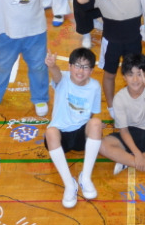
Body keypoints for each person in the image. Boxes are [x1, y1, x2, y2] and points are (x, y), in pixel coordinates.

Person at [76, 0, 143, 107]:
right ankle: (111, 106)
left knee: (135, 75)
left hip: (134, 41)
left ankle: (134, 103)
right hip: (111, 42)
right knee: (109, 74)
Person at [44, 48, 103, 208]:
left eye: (85, 67)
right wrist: (52, 66)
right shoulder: (62, 79)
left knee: (96, 123)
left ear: (91, 70)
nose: (80, 71)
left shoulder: (95, 86)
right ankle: (70, 184)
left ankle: (85, 178)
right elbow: (56, 74)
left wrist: (92, 131)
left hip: (80, 135)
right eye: (77, 65)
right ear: (69, 66)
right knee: (50, 131)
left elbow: (92, 113)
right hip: (60, 137)